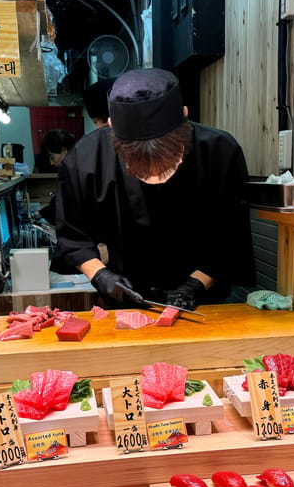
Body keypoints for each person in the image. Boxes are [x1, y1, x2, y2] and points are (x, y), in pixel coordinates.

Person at [53, 68, 255, 311]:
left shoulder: (221, 153)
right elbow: (73, 237)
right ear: (110, 127)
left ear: (185, 115)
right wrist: (102, 277)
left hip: (207, 300)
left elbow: (231, 237)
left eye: (168, 165)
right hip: (125, 296)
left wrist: (196, 285)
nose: (157, 178)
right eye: (142, 171)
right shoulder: (84, 161)